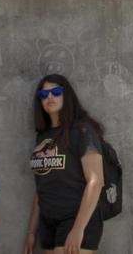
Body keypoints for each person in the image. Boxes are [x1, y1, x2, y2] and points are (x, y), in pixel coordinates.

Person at [24, 75, 106, 254]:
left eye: (56, 92)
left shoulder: (81, 130)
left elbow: (96, 181)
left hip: (76, 217)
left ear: (66, 95)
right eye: (44, 94)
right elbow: (41, 187)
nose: (49, 97)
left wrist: (78, 229)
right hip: (48, 221)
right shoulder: (42, 136)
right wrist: (31, 231)